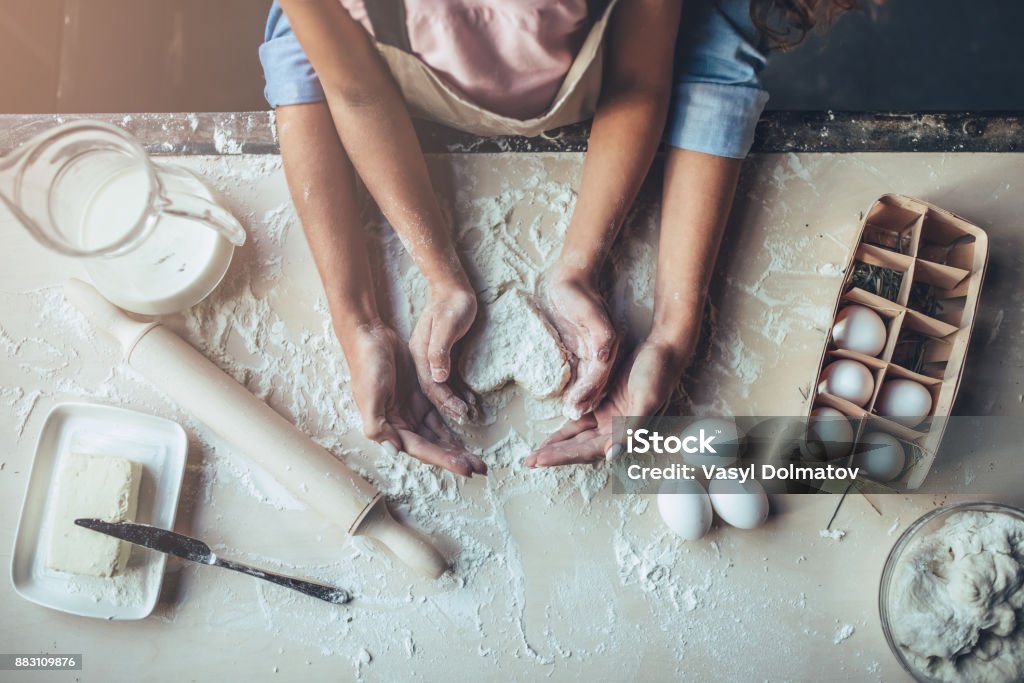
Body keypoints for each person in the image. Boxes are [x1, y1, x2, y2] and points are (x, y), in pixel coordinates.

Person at [259, 0, 861, 475]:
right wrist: (363, 313)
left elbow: (643, 75)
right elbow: (350, 87)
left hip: (614, 82)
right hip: (385, 87)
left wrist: (671, 327)